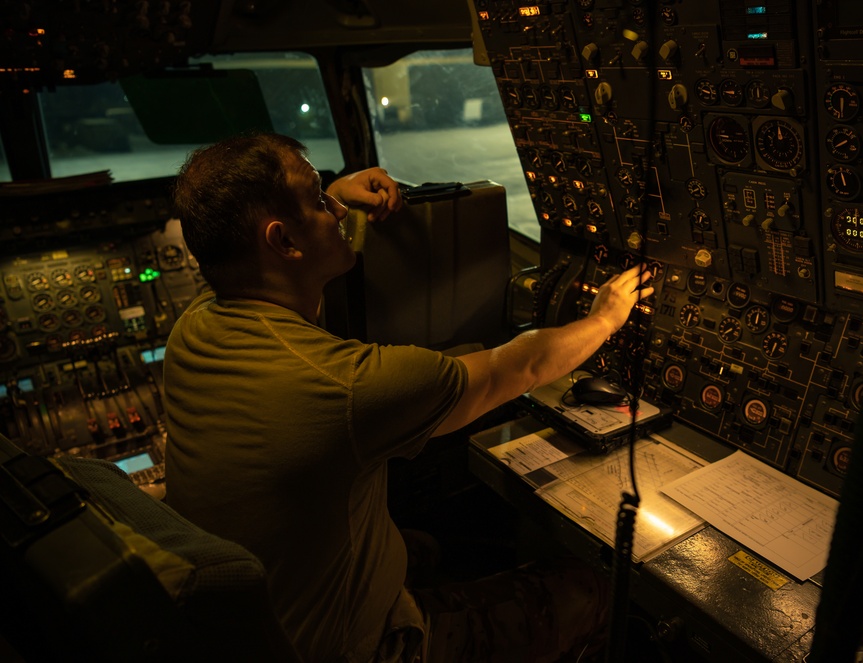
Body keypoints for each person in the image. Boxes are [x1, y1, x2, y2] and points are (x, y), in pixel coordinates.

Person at [163, 132, 653, 663]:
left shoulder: (194, 327)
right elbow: (522, 365)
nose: (335, 206)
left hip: (263, 625)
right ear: (283, 242)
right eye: (318, 197)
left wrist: (338, 197)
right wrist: (604, 317)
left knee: (426, 544)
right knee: (597, 588)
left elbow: (270, 274)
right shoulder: (347, 387)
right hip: (358, 650)